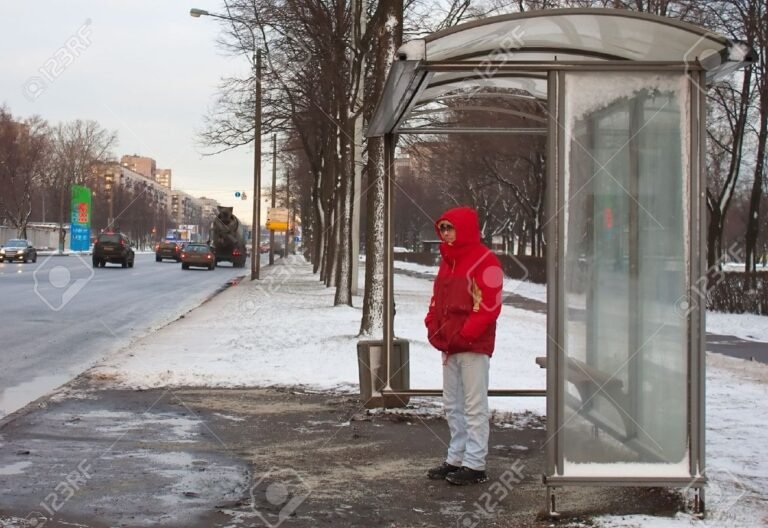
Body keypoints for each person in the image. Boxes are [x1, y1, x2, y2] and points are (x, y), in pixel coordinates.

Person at [424, 206, 503, 485]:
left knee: (473, 405)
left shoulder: (486, 260)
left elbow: (489, 306)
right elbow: (437, 300)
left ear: (465, 228)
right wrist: (433, 327)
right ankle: (456, 458)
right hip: (450, 345)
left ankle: (475, 463)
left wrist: (465, 335)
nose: (445, 233)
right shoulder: (448, 261)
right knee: (452, 404)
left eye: (450, 227)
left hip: (472, 345)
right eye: (442, 228)